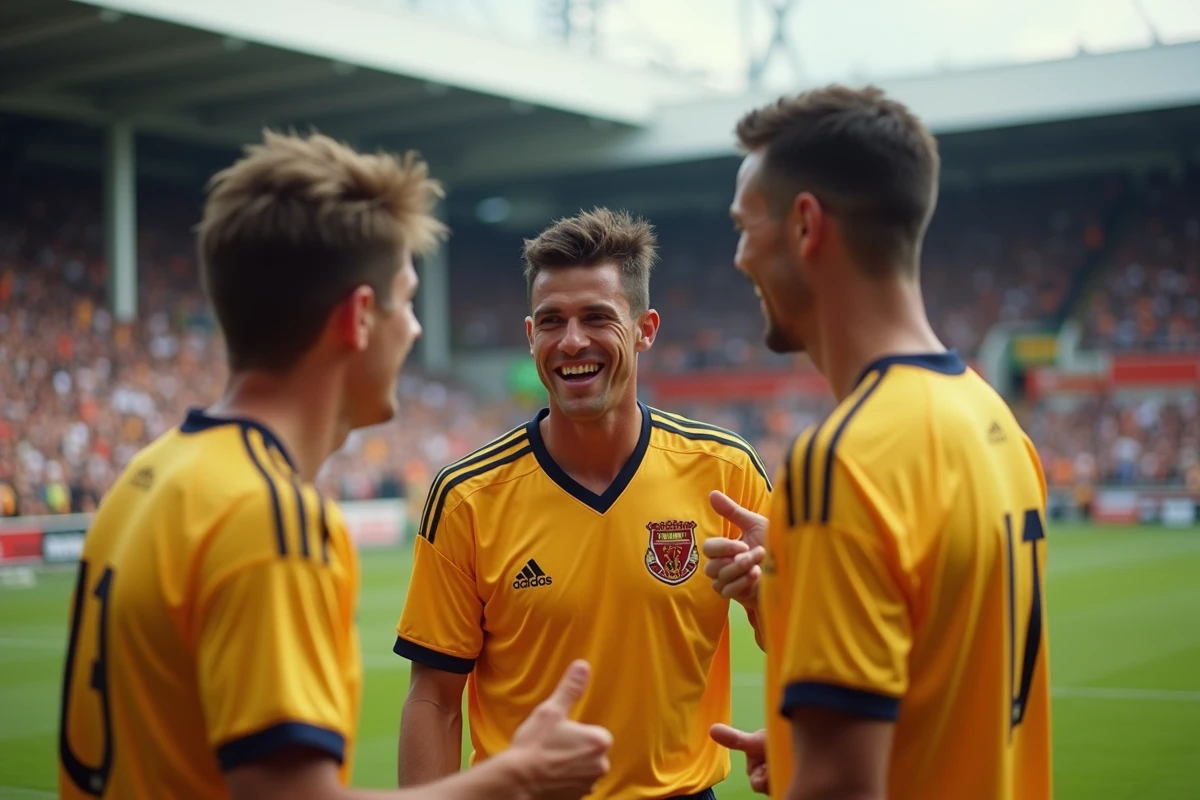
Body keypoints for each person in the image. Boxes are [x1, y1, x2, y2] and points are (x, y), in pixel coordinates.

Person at [56, 131, 612, 800]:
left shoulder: (151, 474)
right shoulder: (269, 518)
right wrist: (516, 777)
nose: (414, 330)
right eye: (405, 301)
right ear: (358, 318)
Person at [703, 86, 1052, 800]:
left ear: (805, 225)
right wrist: (806, 753)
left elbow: (841, 787)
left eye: (745, 226)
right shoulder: (995, 423)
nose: (739, 257)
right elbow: (952, 698)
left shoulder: (844, 463)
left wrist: (817, 772)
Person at [392, 208, 773, 799]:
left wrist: (773, 592)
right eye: (551, 321)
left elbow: (796, 641)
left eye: (597, 317)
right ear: (530, 336)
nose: (572, 341)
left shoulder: (727, 472)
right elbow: (434, 698)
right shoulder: (468, 496)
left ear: (646, 329)